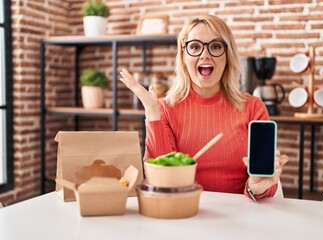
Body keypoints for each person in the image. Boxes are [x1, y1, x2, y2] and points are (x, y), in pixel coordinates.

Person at [119, 14, 288, 201]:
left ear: (227, 55)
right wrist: (152, 111)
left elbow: (263, 186)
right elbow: (161, 181)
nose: (205, 55)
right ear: (183, 56)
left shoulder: (253, 108)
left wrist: (257, 187)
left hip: (239, 217)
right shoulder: (165, 109)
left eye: (215, 46)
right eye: (195, 47)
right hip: (184, 210)